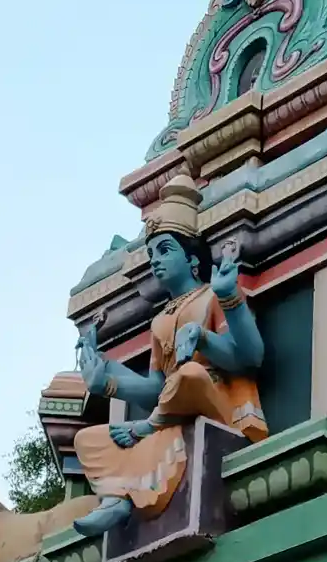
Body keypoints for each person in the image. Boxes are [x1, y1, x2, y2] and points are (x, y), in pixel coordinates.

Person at [70, 172, 266, 536]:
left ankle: (148, 435)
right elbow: (157, 387)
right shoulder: (161, 322)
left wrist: (221, 311)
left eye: (164, 250)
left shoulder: (212, 295)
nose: (155, 260)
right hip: (172, 408)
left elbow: (250, 357)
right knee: (89, 439)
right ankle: (118, 499)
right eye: (151, 253)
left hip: (216, 402)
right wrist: (108, 383)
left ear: (193, 260)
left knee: (191, 375)